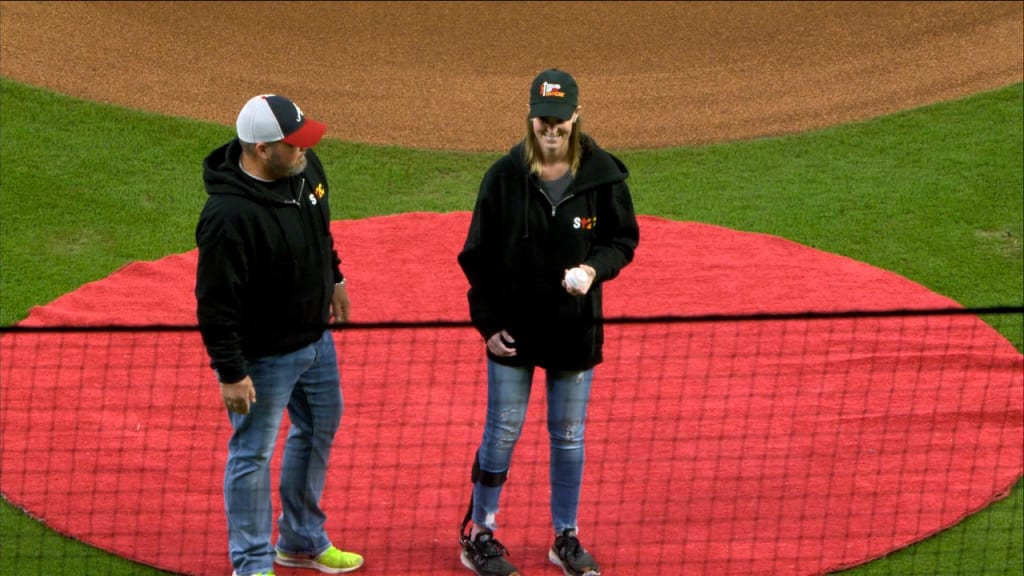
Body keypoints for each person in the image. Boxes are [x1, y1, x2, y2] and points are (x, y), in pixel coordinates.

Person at [456, 69, 640, 576]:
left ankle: (566, 537)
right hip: (513, 332)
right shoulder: (503, 176)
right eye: (543, 119)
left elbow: (622, 241)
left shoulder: (602, 176)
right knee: (501, 432)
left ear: (576, 116)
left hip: (574, 329)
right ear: (530, 116)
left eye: (560, 120)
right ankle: (480, 534)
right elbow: (477, 257)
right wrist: (487, 323)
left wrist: (591, 269)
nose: (551, 129)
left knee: (569, 435)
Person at [195, 94, 364, 576]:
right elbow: (215, 302)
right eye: (294, 144)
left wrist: (334, 278)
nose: (306, 149)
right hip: (264, 357)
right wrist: (231, 372)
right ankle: (251, 563)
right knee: (253, 453)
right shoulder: (228, 217)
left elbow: (320, 230)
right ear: (262, 149)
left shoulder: (305, 172)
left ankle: (302, 540)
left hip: (316, 341)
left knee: (319, 428)